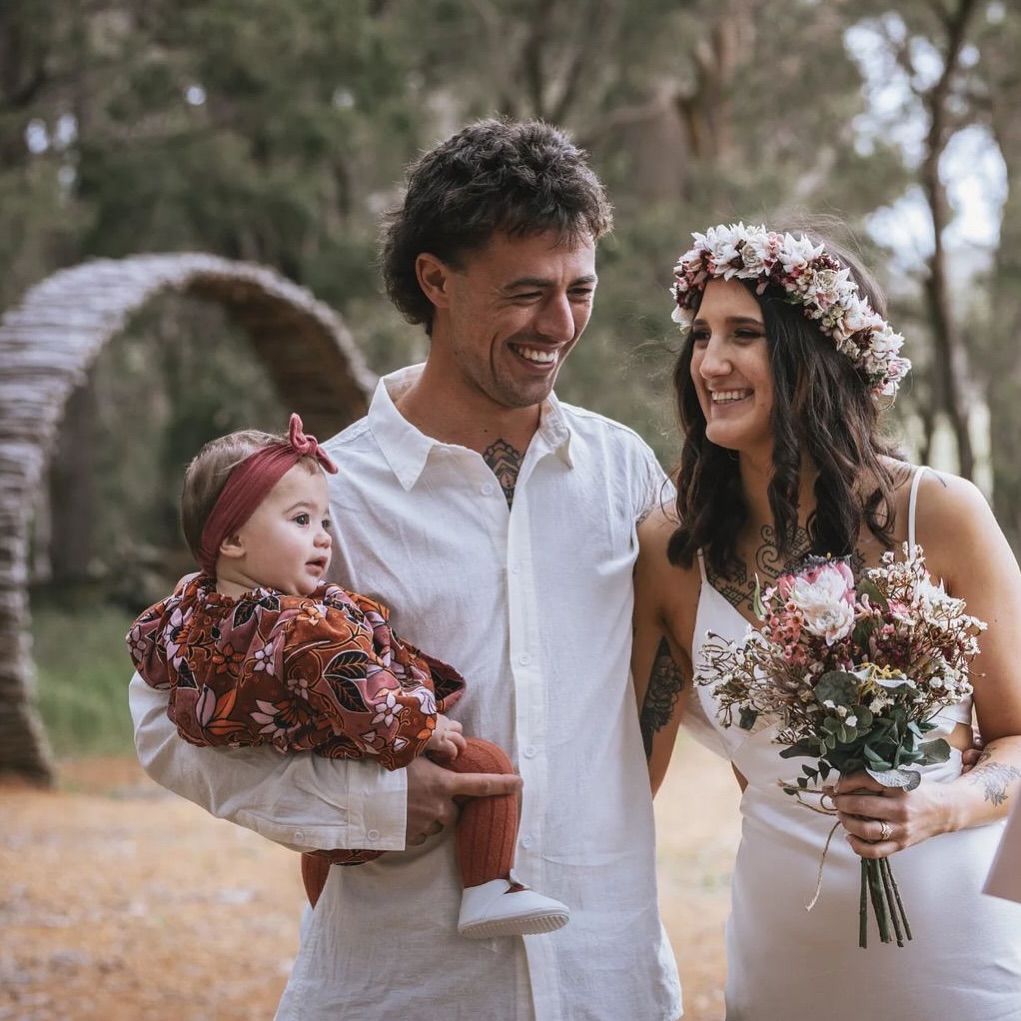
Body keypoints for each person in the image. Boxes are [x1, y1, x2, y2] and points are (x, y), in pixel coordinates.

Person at [129, 118, 682, 1021]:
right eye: (527, 292)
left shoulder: (626, 472)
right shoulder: (323, 494)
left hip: (606, 976)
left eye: (579, 289)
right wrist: (367, 800)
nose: (560, 324)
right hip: (401, 986)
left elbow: (691, 676)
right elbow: (162, 720)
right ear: (435, 280)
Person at [633, 221, 1021, 1020]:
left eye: (744, 334)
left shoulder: (937, 514)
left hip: (957, 955)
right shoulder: (673, 552)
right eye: (700, 335)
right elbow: (625, 777)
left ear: (817, 354)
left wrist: (936, 806)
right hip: (782, 960)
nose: (710, 362)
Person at [126, 412, 571, 938]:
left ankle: (320, 912)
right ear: (233, 539)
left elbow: (145, 646)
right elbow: (361, 693)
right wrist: (422, 724)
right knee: (485, 765)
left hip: (313, 811)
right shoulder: (302, 627)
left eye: (325, 522)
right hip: (366, 779)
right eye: (300, 521)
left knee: (322, 857)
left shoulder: (185, 610)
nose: (322, 539)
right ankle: (489, 888)